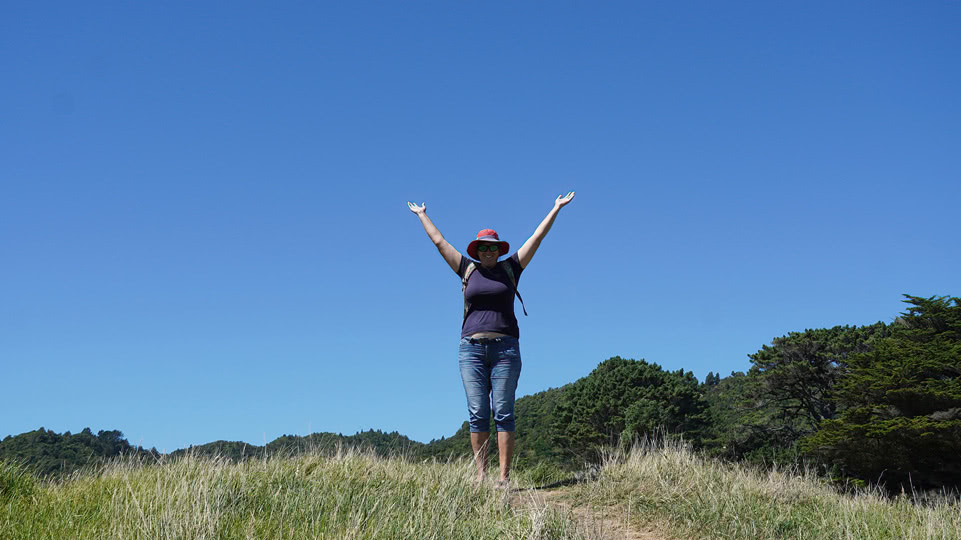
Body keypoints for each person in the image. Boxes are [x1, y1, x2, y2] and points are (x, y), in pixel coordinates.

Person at [407, 191, 575, 484]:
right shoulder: (466, 269)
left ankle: (504, 479)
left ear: (499, 250)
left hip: (505, 350)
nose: (488, 251)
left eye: (492, 247)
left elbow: (536, 238)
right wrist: (422, 215)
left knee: (503, 412)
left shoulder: (511, 268)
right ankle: (481, 477)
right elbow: (439, 242)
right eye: (483, 247)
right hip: (470, 349)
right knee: (477, 413)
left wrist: (556, 208)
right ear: (476, 250)